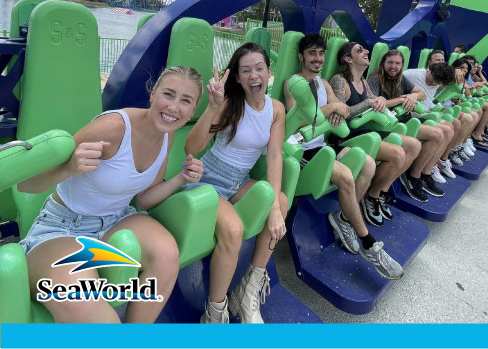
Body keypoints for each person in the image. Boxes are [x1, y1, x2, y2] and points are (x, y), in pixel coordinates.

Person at [18, 66, 205, 323]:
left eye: (186, 101)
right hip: (62, 227)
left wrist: (181, 177)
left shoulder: (166, 134)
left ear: (194, 110)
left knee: (166, 255)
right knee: (89, 308)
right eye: (168, 94)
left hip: (116, 218)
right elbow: (26, 183)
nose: (174, 107)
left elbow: (145, 199)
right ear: (153, 94)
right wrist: (68, 168)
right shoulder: (112, 127)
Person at [281, 34, 403, 279]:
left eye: (320, 54)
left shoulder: (324, 84)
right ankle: (369, 244)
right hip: (302, 149)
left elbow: (344, 108)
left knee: (367, 163)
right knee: (346, 176)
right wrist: (331, 109)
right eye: (312, 53)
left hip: (322, 143)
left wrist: (336, 109)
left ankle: (344, 218)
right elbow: (300, 119)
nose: (317, 59)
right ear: (301, 57)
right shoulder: (292, 82)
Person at [183, 43, 287, 324]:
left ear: (269, 71)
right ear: (238, 78)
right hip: (207, 182)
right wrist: (212, 108)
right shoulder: (229, 104)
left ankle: (248, 290)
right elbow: (191, 147)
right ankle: (215, 312)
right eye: (246, 70)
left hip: (238, 182)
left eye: (259, 68)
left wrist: (275, 206)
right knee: (233, 229)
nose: (254, 76)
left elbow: (275, 155)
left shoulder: (276, 109)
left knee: (282, 201)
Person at [328, 42, 423, 213]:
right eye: (359, 50)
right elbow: (340, 114)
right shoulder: (339, 81)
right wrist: (367, 103)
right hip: (345, 137)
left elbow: (375, 100)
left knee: (414, 145)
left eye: (364, 49)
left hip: (364, 131)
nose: (365, 51)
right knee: (398, 153)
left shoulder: (363, 81)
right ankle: (368, 198)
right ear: (348, 59)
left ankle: (377, 194)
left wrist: (379, 99)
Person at [368, 49, 451, 200]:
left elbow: (422, 94)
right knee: (435, 134)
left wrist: (413, 95)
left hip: (402, 117)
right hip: (387, 122)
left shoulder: (401, 78)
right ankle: (407, 180)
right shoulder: (375, 78)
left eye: (397, 63)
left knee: (443, 132)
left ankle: (421, 175)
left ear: (401, 65)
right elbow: (377, 104)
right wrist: (401, 100)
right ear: (383, 63)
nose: (393, 66)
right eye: (390, 62)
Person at [406, 55, 460, 177]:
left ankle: (431, 168)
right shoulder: (411, 75)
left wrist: (456, 70)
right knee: (444, 130)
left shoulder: (438, 79)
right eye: (433, 79)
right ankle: (416, 174)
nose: (433, 83)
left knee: (454, 125)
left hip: (428, 111)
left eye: (437, 82)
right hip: (415, 113)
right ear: (429, 70)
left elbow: (429, 98)